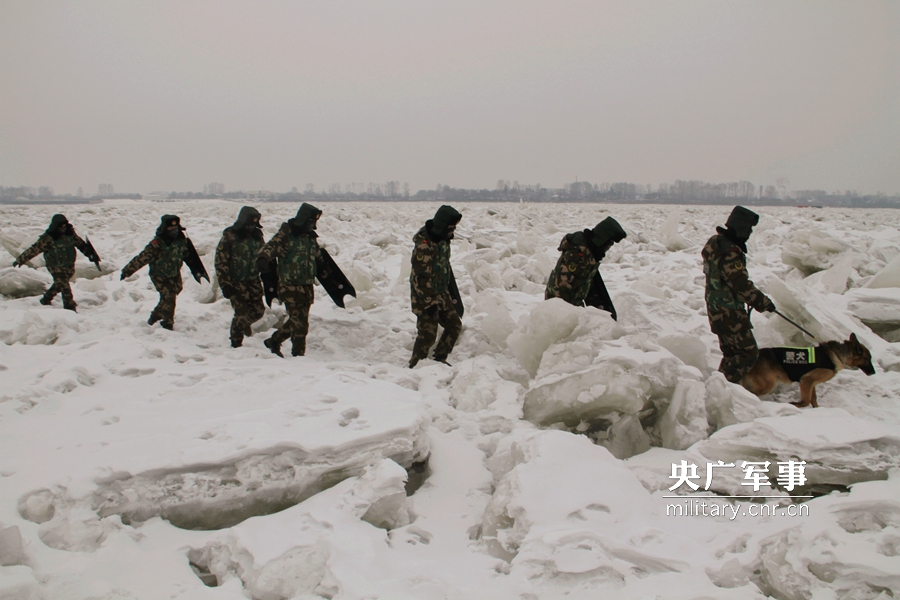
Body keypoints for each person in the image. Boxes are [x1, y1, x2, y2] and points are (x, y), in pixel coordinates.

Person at [701, 206, 776, 383]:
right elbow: (740, 285)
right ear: (741, 227)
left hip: (715, 308)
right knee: (747, 353)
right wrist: (763, 302)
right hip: (730, 312)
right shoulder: (730, 252)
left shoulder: (715, 243)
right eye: (749, 228)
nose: (750, 233)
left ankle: (718, 385)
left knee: (731, 353)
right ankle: (726, 388)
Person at [256, 203, 332, 357]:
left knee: (298, 321)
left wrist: (324, 269)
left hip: (306, 286)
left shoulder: (310, 238)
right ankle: (298, 355)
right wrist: (263, 258)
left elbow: (317, 256)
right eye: (310, 221)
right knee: (299, 323)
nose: (312, 224)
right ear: (303, 219)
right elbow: (271, 246)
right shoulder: (287, 235)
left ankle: (275, 340)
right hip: (289, 286)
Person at [120, 215, 207, 330]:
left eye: (175, 229)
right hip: (159, 275)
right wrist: (127, 270)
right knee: (169, 297)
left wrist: (198, 270)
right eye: (170, 229)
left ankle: (155, 316)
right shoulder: (157, 243)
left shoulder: (181, 241)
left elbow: (189, 256)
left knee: (172, 293)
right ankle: (167, 324)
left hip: (174, 274)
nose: (173, 231)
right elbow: (142, 258)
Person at [409, 205, 463, 368]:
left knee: (454, 325)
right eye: (450, 227)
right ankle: (415, 366)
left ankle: (439, 359)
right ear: (442, 225)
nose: (453, 231)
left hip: (441, 292)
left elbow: (444, 266)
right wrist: (430, 304)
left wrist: (450, 292)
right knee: (428, 334)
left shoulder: (443, 240)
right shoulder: (424, 246)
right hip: (424, 294)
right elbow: (420, 279)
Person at [14, 214, 100, 312]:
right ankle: (69, 307)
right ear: (55, 226)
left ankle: (46, 298)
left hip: (68, 265)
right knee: (64, 284)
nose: (63, 228)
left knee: (59, 284)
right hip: (54, 266)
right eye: (60, 226)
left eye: (64, 226)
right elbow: (34, 249)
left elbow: (80, 244)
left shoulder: (70, 233)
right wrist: (21, 259)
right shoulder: (48, 238)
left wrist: (89, 254)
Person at [545, 216, 626, 319]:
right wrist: (571, 315)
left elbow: (587, 283)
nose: (609, 247)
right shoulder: (579, 256)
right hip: (559, 307)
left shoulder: (589, 253)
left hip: (571, 304)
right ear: (602, 239)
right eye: (609, 243)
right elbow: (562, 286)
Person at [215, 206, 266, 348]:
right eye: (248, 224)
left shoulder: (257, 236)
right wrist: (225, 284)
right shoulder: (230, 237)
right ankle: (236, 343)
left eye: (253, 225)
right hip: (236, 282)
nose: (251, 227)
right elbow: (221, 262)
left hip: (253, 280)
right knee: (241, 314)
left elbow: (264, 254)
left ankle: (242, 326)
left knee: (258, 311)